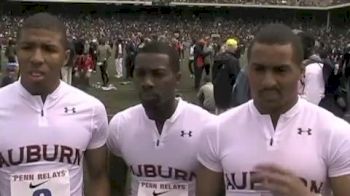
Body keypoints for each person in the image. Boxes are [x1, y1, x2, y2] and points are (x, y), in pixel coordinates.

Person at [196, 24, 350, 196]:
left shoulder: (335, 132)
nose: (268, 81)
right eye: (259, 69)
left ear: (300, 72)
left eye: (280, 70)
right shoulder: (217, 130)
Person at [0, 13, 110, 196]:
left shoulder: (91, 109)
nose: (36, 58)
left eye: (49, 49)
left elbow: (98, 177)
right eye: (27, 47)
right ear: (16, 51)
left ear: (65, 57)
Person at [107, 41, 214, 196]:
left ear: (177, 78)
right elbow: (115, 187)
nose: (147, 82)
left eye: (158, 74)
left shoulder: (207, 126)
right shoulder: (120, 125)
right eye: (140, 73)